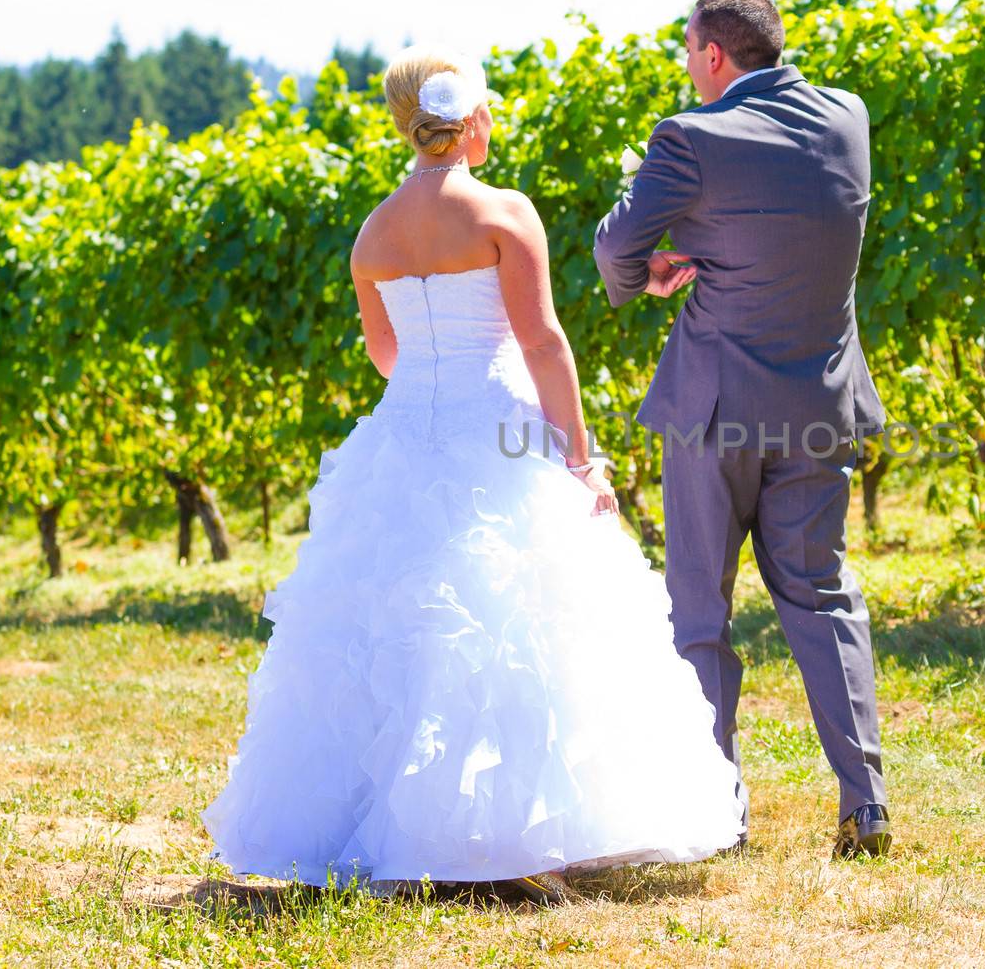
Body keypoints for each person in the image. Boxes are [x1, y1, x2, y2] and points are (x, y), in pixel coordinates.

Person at [201, 45, 743, 902]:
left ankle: (396, 830)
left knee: (401, 632)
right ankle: (516, 831)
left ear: (406, 122)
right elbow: (542, 340)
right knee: (516, 624)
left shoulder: (373, 234)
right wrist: (580, 454)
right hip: (498, 433)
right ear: (472, 118)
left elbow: (387, 356)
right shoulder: (504, 211)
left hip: (405, 435)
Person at [594, 0, 891, 858]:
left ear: (714, 56)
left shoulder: (693, 137)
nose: (689, 69)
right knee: (823, 598)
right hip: (818, 406)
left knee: (699, 609)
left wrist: (646, 276)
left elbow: (617, 248)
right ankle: (864, 803)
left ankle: (715, 808)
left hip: (715, 413)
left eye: (691, 53)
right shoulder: (849, 119)